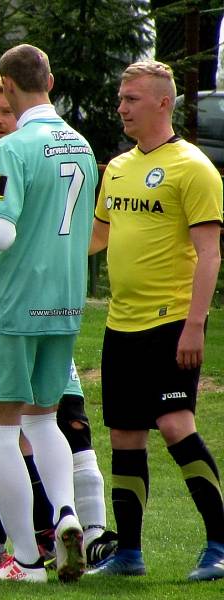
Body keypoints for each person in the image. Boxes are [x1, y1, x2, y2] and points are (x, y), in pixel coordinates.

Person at [0, 72, 116, 570]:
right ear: (52, 80)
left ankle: (26, 561)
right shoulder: (79, 144)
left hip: (15, 311)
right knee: (42, 420)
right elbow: (57, 234)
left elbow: (0, 232)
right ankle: (64, 514)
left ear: (12, 85)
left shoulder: (13, 149)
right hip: (64, 304)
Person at [86, 60, 224, 581]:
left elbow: (209, 254)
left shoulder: (193, 168)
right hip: (122, 324)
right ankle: (129, 554)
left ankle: (219, 542)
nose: (121, 107)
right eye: (121, 97)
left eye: (132, 99)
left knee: (174, 424)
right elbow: (97, 237)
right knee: (124, 433)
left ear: (163, 103)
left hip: (171, 323)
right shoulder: (117, 167)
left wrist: (195, 324)